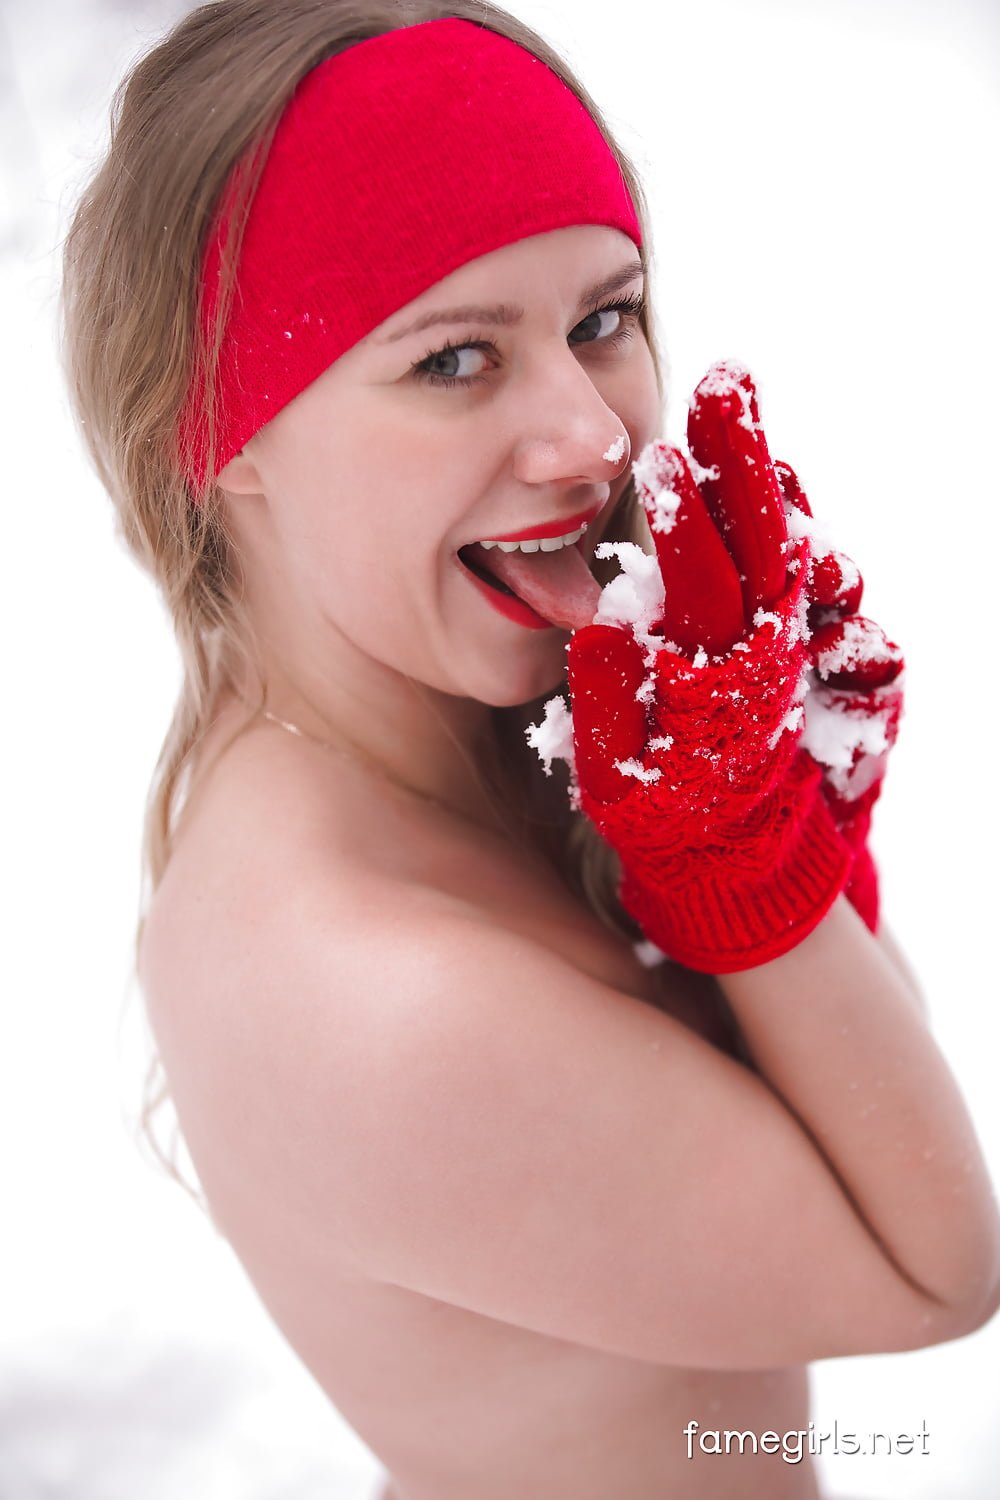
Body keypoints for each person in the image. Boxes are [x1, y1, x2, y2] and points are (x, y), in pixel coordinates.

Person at [61, 3, 1000, 1498]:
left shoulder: (485, 729)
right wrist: (752, 866)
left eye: (602, 320)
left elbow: (832, 1111)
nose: (590, 436)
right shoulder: (375, 990)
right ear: (219, 433)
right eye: (453, 359)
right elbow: (933, 1269)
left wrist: (793, 808)